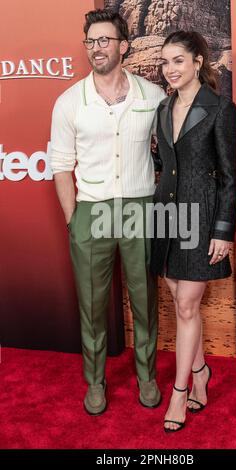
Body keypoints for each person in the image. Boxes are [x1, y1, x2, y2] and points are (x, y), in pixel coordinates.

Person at [50, 8, 165, 416]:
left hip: (139, 208)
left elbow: (168, 155)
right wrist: (73, 218)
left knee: (145, 299)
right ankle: (95, 382)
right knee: (93, 305)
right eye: (90, 42)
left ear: (123, 46)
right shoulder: (69, 102)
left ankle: (147, 376)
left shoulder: (151, 97)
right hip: (91, 211)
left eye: (104, 41)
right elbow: (61, 165)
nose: (96, 48)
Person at [150, 31, 236, 432]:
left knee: (186, 305)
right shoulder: (162, 107)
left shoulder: (221, 108)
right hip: (167, 214)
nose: (170, 70)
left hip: (202, 216)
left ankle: (180, 392)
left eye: (178, 61)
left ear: (198, 62)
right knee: (177, 297)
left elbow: (230, 176)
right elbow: (164, 162)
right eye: (165, 62)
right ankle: (201, 370)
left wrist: (223, 231)